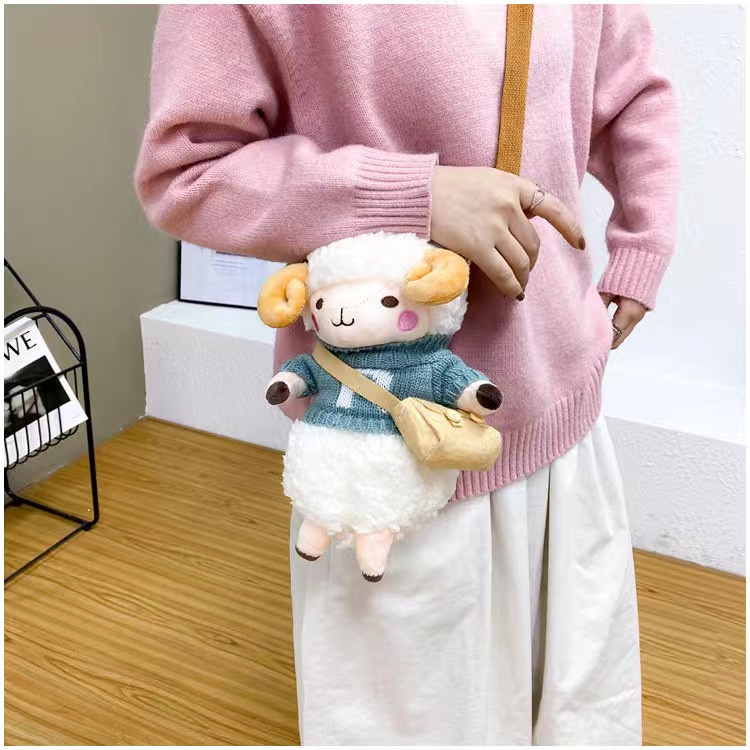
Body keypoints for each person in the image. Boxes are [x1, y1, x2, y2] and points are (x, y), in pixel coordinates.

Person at [135, 4, 678, 745]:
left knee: (576, 717)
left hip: (563, 420)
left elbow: (630, 90)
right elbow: (188, 173)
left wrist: (646, 239)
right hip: (386, 464)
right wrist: (416, 196)